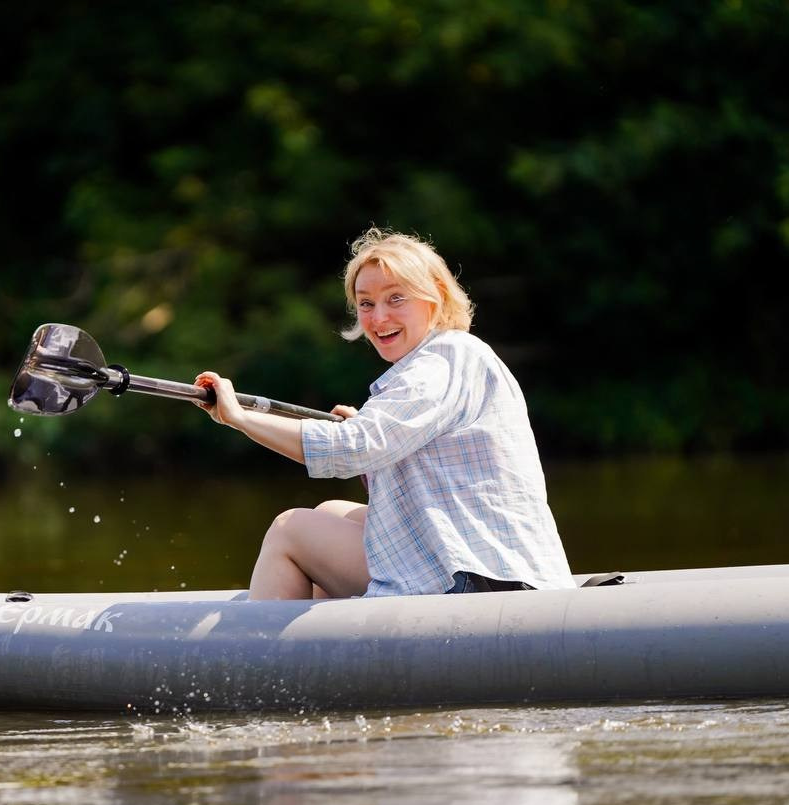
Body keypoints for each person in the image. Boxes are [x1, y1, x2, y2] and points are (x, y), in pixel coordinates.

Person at [195, 227, 574, 600]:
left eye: (396, 299)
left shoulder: (443, 360)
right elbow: (394, 454)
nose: (378, 318)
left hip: (482, 582)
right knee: (331, 511)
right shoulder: (446, 361)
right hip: (487, 571)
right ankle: (334, 654)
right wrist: (368, 442)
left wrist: (240, 417)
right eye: (366, 304)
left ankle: (264, 660)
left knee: (289, 529)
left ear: (436, 298)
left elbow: (353, 448)